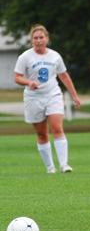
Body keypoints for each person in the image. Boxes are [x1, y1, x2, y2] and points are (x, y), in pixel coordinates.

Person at [14, 24, 81, 173]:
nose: (39, 40)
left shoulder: (55, 56)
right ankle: (50, 167)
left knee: (57, 128)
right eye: (35, 38)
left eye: (41, 37)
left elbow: (63, 75)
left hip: (53, 95)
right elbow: (17, 78)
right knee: (42, 134)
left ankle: (64, 164)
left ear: (47, 39)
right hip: (33, 98)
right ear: (32, 40)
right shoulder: (25, 57)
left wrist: (75, 96)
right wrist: (29, 82)